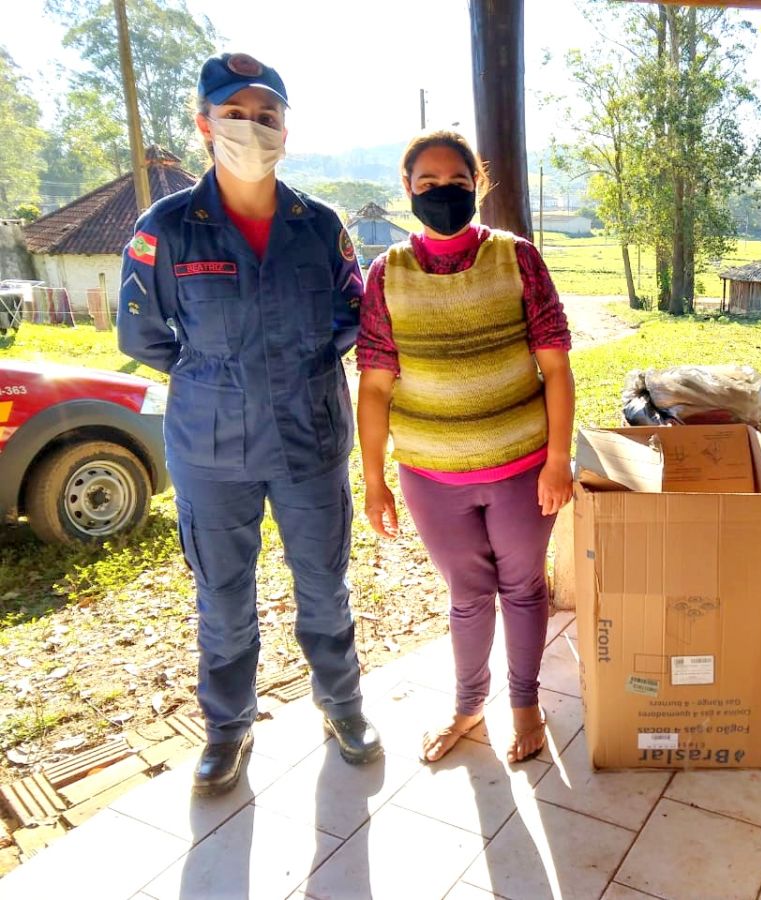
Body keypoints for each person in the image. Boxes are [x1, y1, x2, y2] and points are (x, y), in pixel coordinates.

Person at [117, 52, 382, 796]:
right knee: (223, 598)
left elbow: (349, 315)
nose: (253, 128)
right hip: (211, 452)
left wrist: (293, 375)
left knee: (325, 586)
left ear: (286, 132)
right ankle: (227, 731)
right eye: (237, 114)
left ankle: (343, 708)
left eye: (268, 116)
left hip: (309, 444)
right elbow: (142, 337)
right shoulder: (165, 229)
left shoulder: (321, 226)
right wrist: (221, 381)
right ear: (205, 124)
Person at [356, 130, 574, 765]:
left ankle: (526, 703)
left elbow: (556, 369)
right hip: (431, 473)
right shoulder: (386, 273)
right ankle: (468, 705)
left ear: (477, 185)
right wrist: (374, 481)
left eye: (456, 182)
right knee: (466, 594)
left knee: (525, 588)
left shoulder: (516, 258)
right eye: (427, 184)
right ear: (407, 190)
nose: (442, 193)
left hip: (523, 467)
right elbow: (373, 387)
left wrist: (557, 459)